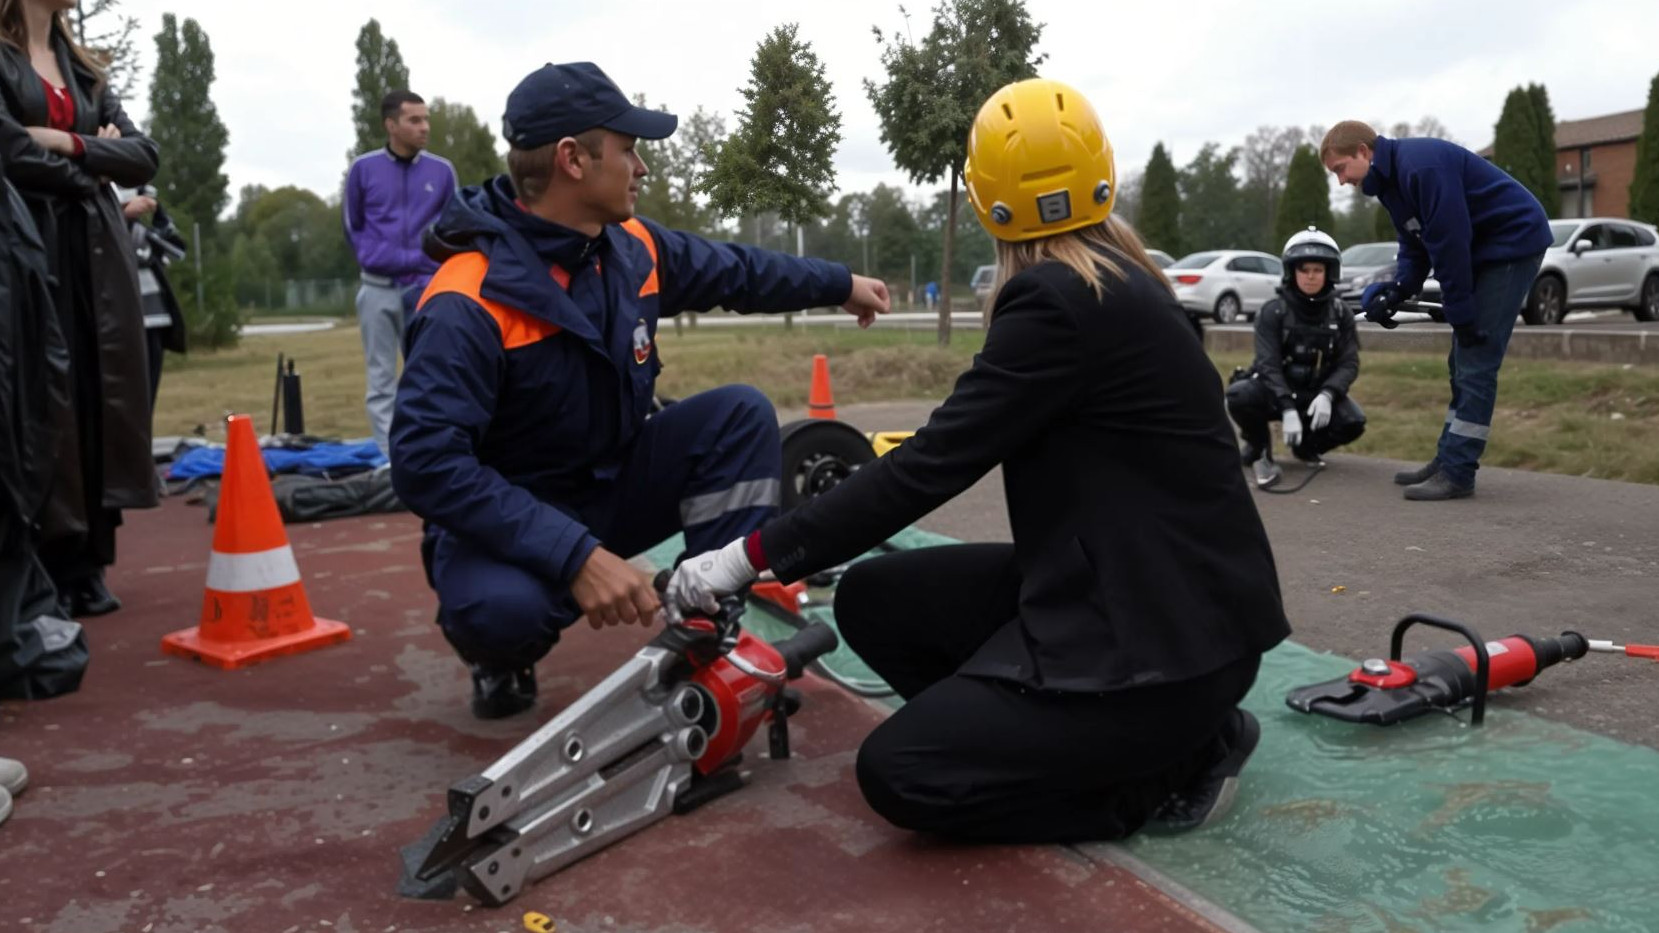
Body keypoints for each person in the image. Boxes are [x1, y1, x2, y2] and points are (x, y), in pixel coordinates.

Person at [664, 78, 1289, 842]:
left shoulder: (1055, 302)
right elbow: (970, 438)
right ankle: (1041, 732)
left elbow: (926, 467)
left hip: (1162, 647)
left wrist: (745, 557)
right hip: (1162, 605)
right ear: (1103, 171)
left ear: (985, 198)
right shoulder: (1128, 285)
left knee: (903, 775)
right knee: (870, 598)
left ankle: (1161, 771)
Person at [389, 61, 890, 719]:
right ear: (572, 158)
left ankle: (707, 626)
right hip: (516, 515)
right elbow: (425, 463)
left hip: (611, 483)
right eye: (627, 150)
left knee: (738, 413)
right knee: (499, 613)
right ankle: (497, 660)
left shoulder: (630, 247)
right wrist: (575, 557)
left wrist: (837, 283)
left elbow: (738, 271)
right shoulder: (466, 298)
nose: (642, 168)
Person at [0, 0, 159, 617]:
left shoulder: (87, 70)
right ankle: (42, 562)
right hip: (26, 248)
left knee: (102, 392)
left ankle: (89, 560)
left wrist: (67, 141)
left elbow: (144, 156)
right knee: (44, 399)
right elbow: (10, 152)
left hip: (97, 253)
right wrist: (95, 162)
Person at [1322, 121, 1552, 500]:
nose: (1342, 181)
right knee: (1460, 360)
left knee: (1477, 356)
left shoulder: (1421, 166)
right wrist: (1397, 290)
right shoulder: (1393, 184)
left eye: (1340, 169)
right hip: (1486, 249)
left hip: (1513, 243)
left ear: (1363, 151)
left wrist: (1460, 310)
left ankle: (1459, 471)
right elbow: (1415, 243)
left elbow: (1450, 239)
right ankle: (1448, 458)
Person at [343, 89, 457, 461]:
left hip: (426, 290)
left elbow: (451, 229)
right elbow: (354, 228)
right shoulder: (363, 169)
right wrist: (392, 258)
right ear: (391, 125)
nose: (425, 127)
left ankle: (428, 455)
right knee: (380, 380)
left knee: (428, 378)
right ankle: (390, 461)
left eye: (426, 119)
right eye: (414, 120)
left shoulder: (441, 172)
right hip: (377, 290)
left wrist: (425, 265)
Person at [1226, 227, 1365, 489]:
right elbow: (1268, 363)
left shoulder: (1341, 312)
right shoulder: (1273, 311)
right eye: (1304, 270)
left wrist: (1328, 394)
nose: (1311, 277)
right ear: (1292, 272)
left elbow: (1349, 362)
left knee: (1353, 422)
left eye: (1317, 270)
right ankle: (1258, 446)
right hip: (1274, 391)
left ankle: (1306, 446)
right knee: (1238, 395)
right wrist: (1287, 407)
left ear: (1329, 273)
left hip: (1315, 394)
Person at [119, 184, 187, 410]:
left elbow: (177, 250)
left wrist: (158, 212)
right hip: (120, 324)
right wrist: (122, 214)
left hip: (154, 322)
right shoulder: (108, 228)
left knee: (146, 397)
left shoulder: (145, 235)